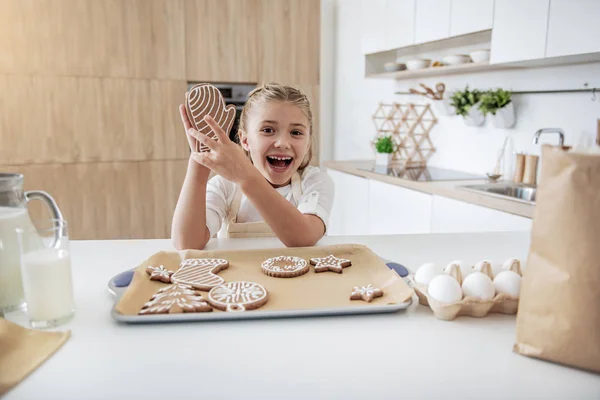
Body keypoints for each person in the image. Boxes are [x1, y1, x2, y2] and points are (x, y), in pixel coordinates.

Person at [171, 83, 334, 250]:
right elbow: (187, 243)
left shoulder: (315, 182)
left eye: (296, 133)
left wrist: (246, 177)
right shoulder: (225, 186)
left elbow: (303, 238)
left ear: (307, 143)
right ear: (244, 140)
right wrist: (199, 162)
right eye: (268, 130)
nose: (283, 143)